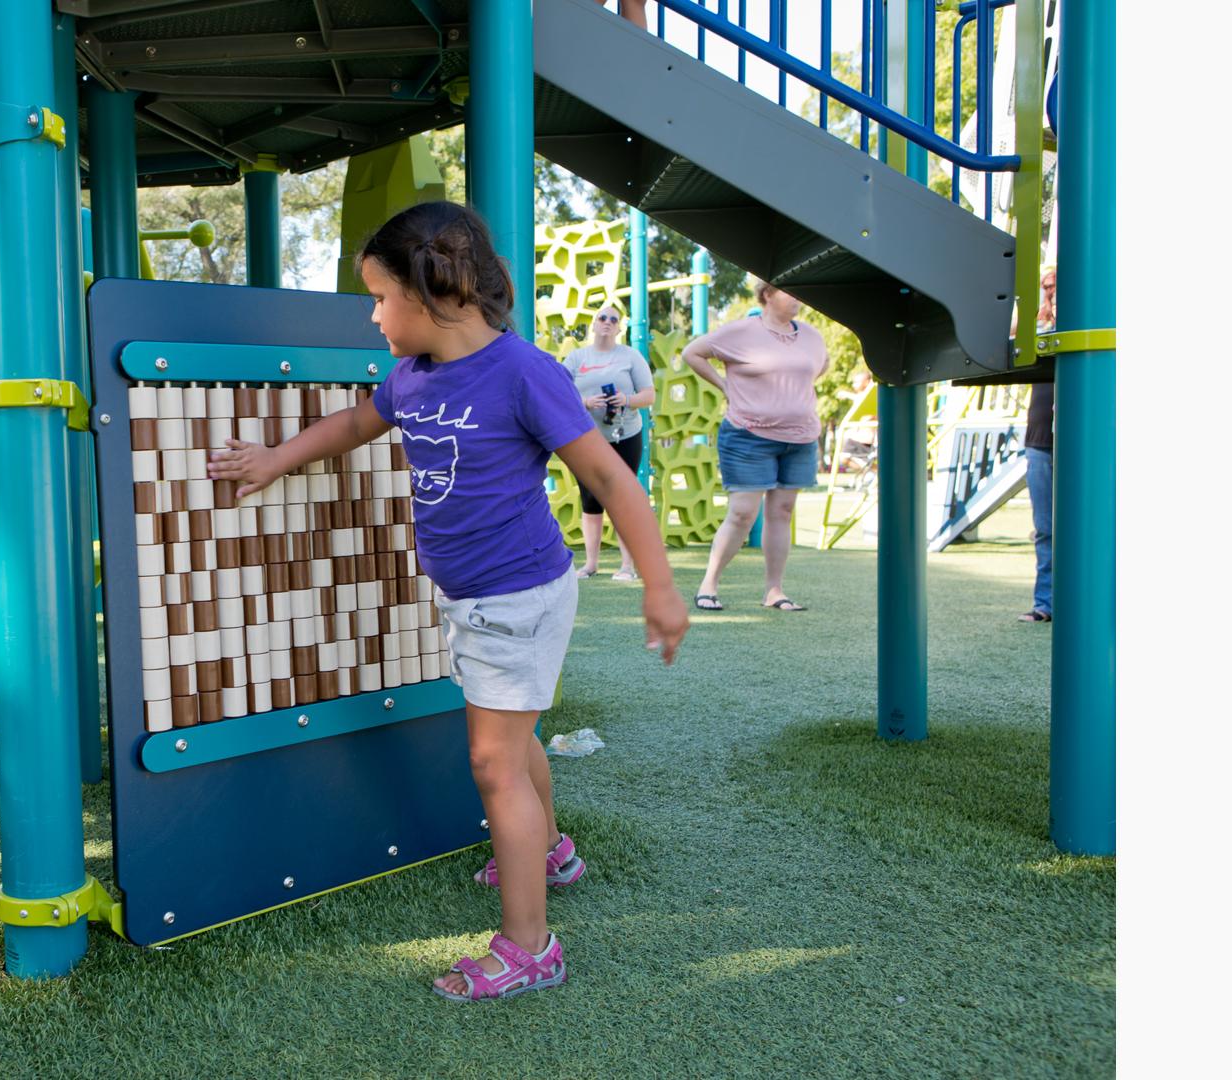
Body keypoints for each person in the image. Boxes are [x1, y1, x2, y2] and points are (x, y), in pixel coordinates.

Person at [207, 201, 689, 1002]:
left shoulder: (524, 372)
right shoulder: (412, 377)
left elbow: (607, 476)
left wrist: (662, 588)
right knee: (517, 731)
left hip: (517, 595)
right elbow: (356, 423)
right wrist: (274, 459)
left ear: (437, 295)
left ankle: (530, 947)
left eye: (380, 296)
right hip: (475, 599)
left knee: (491, 762)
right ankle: (551, 851)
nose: (372, 314)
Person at [681, 281, 830, 612]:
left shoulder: (811, 335)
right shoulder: (740, 332)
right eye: (790, 291)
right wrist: (724, 385)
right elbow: (692, 353)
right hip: (749, 435)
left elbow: (820, 366)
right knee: (743, 513)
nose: (798, 298)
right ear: (767, 294)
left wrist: (788, 395)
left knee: (783, 512)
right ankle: (709, 584)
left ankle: (774, 591)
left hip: (801, 438)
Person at [560, 304, 657, 580]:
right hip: (587, 439)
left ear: (619, 328)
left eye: (613, 319)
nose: (607, 322)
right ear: (593, 324)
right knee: (591, 500)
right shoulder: (577, 358)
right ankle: (591, 564)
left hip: (624, 435)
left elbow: (649, 395)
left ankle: (627, 566)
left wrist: (626, 400)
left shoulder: (630, 356)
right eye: (602, 317)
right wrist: (586, 403)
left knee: (622, 499)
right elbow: (559, 394)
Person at [1019, 266, 1057, 623]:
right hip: (1041, 440)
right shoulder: (1040, 328)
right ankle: (1045, 603)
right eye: (1048, 287)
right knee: (1045, 527)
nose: (1052, 292)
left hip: (1084, 442)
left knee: (1092, 524)